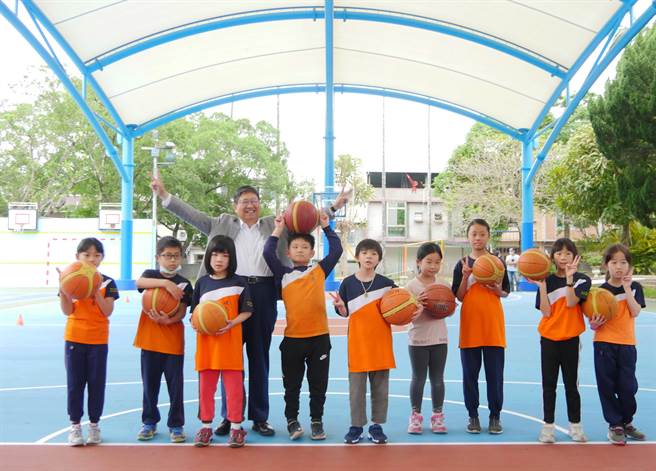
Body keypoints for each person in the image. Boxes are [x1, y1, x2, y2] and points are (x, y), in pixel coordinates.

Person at [151, 175, 350, 436]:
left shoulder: (274, 224)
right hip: (228, 293)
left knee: (259, 358)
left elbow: (306, 217)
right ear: (235, 205)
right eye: (245, 201)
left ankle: (259, 417)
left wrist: (334, 207)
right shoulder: (220, 223)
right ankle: (229, 417)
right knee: (228, 359)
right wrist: (165, 195)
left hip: (264, 290)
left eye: (254, 201)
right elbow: (192, 214)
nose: (250, 206)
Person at [263, 211, 342, 441]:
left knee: (318, 385)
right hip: (293, 339)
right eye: (295, 246)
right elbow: (268, 252)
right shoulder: (284, 274)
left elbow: (336, 250)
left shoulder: (318, 271)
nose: (299, 249)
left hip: (319, 338)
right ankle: (292, 420)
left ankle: (316, 421)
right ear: (288, 252)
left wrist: (327, 227)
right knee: (292, 386)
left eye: (304, 247)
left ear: (312, 252)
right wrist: (278, 229)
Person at [332, 239, 418, 445]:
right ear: (358, 257)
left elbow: (404, 305)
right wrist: (341, 307)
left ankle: (376, 426)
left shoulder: (387, 284)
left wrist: (414, 311)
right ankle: (356, 426)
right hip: (358, 343)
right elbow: (343, 312)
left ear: (379, 258)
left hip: (380, 343)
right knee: (356, 390)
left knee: (380, 389)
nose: (369, 256)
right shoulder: (348, 283)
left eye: (373, 253)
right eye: (364, 253)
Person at [190, 235, 253, 448]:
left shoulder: (239, 282)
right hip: (206, 345)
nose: (219, 259)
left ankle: (236, 428)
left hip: (230, 344)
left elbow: (247, 311)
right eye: (215, 254)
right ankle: (206, 426)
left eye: (224, 255)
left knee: (234, 389)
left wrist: (231, 323)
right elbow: (194, 314)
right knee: (206, 389)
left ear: (231, 258)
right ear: (208, 256)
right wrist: (197, 323)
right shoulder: (201, 283)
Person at [58, 238, 119, 446]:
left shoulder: (108, 282)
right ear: (78, 257)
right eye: (87, 255)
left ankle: (94, 425)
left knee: (96, 384)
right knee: (75, 385)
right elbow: (67, 311)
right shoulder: (70, 280)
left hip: (98, 340)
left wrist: (95, 292)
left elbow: (107, 311)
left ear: (102, 257)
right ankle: (75, 427)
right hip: (75, 338)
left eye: (97, 255)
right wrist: (65, 292)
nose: (92, 259)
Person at [451, 219, 509, 435]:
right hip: (470, 325)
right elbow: (459, 296)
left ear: (488, 236)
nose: (478, 238)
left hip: (493, 325)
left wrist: (496, 289)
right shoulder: (462, 264)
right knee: (470, 375)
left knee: (495, 375)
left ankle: (495, 415)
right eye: (474, 234)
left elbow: (504, 292)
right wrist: (466, 276)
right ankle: (473, 415)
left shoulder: (497, 262)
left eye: (482, 234)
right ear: (468, 237)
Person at [133, 236, 193, 443]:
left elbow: (183, 311)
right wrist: (166, 283)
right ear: (158, 257)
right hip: (149, 340)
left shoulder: (185, 284)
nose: (172, 260)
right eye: (168, 256)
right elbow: (139, 283)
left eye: (176, 256)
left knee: (175, 387)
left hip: (173, 342)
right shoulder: (151, 275)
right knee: (149, 385)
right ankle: (149, 422)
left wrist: (169, 321)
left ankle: (176, 425)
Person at [531, 238, 590, 443]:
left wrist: (569, 278)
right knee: (549, 385)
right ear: (553, 257)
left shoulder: (583, 280)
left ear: (574, 256)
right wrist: (542, 287)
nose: (563, 257)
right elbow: (546, 312)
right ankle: (548, 427)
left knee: (571, 385)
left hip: (571, 339)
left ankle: (576, 426)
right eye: (559, 253)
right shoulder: (545, 279)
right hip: (548, 339)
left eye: (567, 253)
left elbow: (572, 302)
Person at [590, 244, 646, 445]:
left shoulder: (634, 287)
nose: (619, 266)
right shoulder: (599, 292)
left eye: (623, 262)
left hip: (627, 343)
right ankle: (615, 425)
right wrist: (594, 325)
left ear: (629, 266)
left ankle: (626, 421)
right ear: (606, 265)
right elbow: (593, 320)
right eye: (614, 262)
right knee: (607, 386)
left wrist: (626, 288)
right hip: (604, 343)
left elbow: (636, 311)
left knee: (628, 386)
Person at [405, 242, 450, 434]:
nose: (433, 266)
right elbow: (407, 316)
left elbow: (449, 311)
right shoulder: (411, 286)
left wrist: (440, 307)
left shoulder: (443, 286)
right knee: (418, 378)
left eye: (437, 262)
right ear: (418, 262)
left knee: (438, 379)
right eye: (429, 261)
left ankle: (437, 416)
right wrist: (420, 306)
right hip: (418, 340)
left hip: (439, 339)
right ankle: (415, 417)